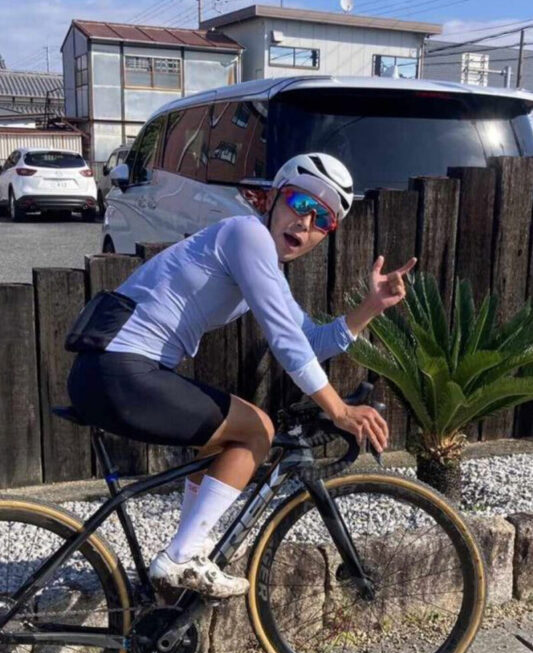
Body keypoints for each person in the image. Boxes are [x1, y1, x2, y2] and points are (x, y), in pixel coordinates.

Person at [67, 153, 416, 600]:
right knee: (257, 429)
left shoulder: (262, 263)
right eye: (299, 202)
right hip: (120, 369)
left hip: (112, 370)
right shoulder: (246, 235)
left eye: (323, 219)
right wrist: (339, 410)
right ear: (272, 199)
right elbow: (287, 344)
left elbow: (309, 341)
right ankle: (182, 557)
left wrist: (371, 307)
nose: (305, 222)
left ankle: (187, 557)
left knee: (222, 443)